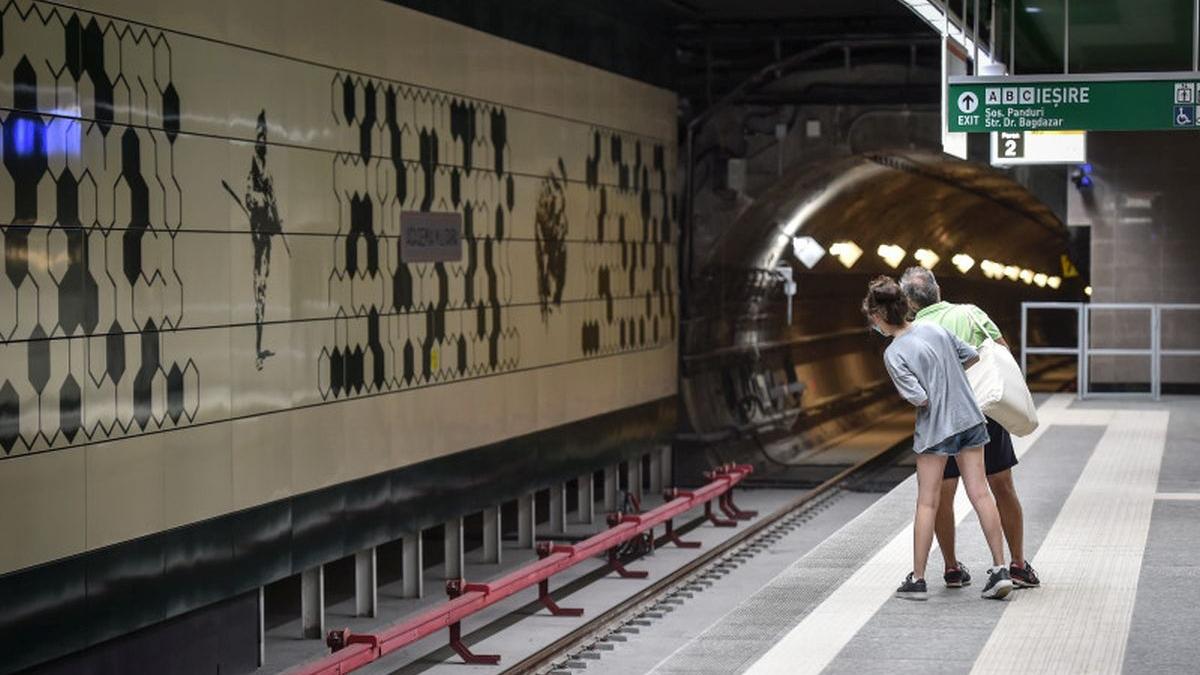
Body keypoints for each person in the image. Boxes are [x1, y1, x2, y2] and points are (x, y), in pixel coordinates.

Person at [862, 276, 1013, 601]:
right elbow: (971, 356)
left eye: (871, 319)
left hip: (935, 430)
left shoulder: (894, 352)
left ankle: (917, 579)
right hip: (970, 418)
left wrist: (930, 387)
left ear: (879, 317)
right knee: (981, 494)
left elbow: (919, 398)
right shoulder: (935, 329)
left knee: (928, 501)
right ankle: (1000, 570)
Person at [900, 266, 1040, 589]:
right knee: (1000, 486)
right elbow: (1002, 351)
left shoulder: (913, 331)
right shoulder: (971, 314)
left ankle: (951, 568)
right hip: (982, 410)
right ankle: (1016, 564)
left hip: (941, 420)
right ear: (938, 290)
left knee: (942, 494)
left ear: (909, 302)